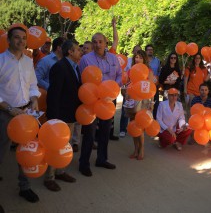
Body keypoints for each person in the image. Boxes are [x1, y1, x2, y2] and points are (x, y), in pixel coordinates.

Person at [0, 26, 40, 203]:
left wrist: (34, 99)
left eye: (24, 38)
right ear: (8, 40)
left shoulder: (27, 61)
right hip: (5, 114)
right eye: (17, 37)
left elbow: (32, 84)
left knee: (25, 152)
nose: (21, 41)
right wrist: (9, 109)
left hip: (25, 114)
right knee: (0, 153)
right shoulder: (1, 60)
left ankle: (24, 187)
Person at [79, 33, 122, 176]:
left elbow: (120, 75)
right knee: (89, 133)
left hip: (109, 100)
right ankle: (83, 163)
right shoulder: (86, 59)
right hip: (92, 100)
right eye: (95, 42)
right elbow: (82, 79)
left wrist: (114, 88)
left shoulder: (113, 58)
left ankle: (102, 159)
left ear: (106, 43)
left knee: (105, 131)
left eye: (100, 42)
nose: (98, 45)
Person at [43, 40, 82, 192]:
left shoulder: (75, 67)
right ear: (70, 52)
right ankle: (49, 178)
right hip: (60, 117)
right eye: (78, 49)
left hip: (71, 115)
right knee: (55, 147)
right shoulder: (59, 67)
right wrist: (54, 119)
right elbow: (53, 95)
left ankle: (60, 172)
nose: (80, 52)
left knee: (65, 146)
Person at [124, 50, 154, 160]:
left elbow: (151, 88)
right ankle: (135, 149)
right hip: (133, 101)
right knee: (133, 125)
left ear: (144, 59)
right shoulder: (130, 70)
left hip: (144, 102)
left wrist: (151, 103)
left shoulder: (149, 71)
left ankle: (141, 150)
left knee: (140, 125)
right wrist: (127, 94)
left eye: (140, 57)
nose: (137, 59)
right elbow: (128, 85)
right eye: (136, 57)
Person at [119, 45, 142, 137]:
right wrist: (123, 88)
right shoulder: (128, 61)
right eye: (136, 51)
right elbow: (123, 75)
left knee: (137, 111)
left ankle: (134, 129)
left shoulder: (143, 65)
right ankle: (122, 129)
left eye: (139, 52)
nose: (137, 53)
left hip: (139, 92)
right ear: (132, 52)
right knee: (126, 110)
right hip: (129, 89)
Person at [184, 53, 210, 118]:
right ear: (194, 59)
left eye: (199, 58)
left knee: (199, 110)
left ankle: (196, 123)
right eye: (196, 58)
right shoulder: (189, 68)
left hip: (200, 92)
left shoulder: (203, 69)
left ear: (201, 59)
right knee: (191, 109)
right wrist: (185, 89)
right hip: (190, 91)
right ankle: (189, 124)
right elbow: (186, 79)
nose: (197, 59)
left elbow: (206, 80)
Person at [145, 44, 161, 118]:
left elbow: (159, 72)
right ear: (146, 51)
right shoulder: (144, 60)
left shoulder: (157, 60)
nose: (150, 51)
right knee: (146, 104)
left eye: (151, 50)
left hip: (154, 86)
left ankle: (154, 119)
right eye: (148, 50)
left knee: (155, 103)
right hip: (145, 86)